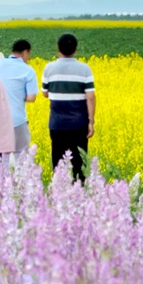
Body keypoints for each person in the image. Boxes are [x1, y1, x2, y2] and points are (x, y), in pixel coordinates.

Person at [42, 33, 95, 183]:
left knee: (58, 163)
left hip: (57, 124)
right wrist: (91, 121)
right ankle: (80, 195)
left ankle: (59, 196)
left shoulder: (49, 68)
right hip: (79, 124)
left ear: (58, 48)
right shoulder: (85, 69)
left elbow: (45, 93)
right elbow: (90, 97)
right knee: (79, 164)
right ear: (76, 49)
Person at [0, 38, 40, 162]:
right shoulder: (28, 70)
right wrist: (18, 94)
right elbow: (31, 97)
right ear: (25, 52)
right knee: (21, 155)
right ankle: (21, 181)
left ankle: (2, 180)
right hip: (18, 120)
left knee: (2, 156)